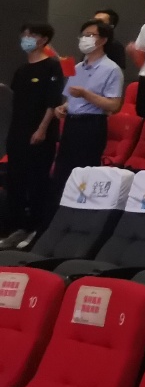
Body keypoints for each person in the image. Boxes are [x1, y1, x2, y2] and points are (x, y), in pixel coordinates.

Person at [2, 23, 65, 250]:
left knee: (36, 181)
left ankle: (35, 228)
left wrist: (42, 129)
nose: (26, 38)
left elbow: (52, 102)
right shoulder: (21, 70)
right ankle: (16, 227)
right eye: (25, 34)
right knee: (15, 180)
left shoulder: (52, 66)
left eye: (32, 35)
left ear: (44, 39)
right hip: (17, 132)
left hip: (40, 133)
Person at [50, 20, 123, 208]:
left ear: (103, 40)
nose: (85, 39)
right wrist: (63, 108)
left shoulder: (111, 69)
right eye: (83, 35)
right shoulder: (77, 68)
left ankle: (80, 211)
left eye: (91, 35)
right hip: (71, 124)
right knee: (62, 171)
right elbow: (71, 99)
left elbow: (114, 105)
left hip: (92, 125)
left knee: (84, 173)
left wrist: (86, 94)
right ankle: (56, 213)